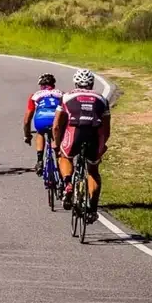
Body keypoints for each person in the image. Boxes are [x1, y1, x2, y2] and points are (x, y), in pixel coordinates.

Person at [51, 69, 111, 223]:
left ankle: (68, 184)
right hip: (94, 134)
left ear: (75, 82)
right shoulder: (102, 99)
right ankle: (92, 209)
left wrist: (56, 143)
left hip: (75, 132)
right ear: (92, 84)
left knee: (65, 157)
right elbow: (106, 128)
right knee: (93, 171)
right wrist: (102, 145)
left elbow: (57, 125)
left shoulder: (66, 96)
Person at [23, 73, 64, 175]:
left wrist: (27, 135)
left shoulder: (35, 95)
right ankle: (60, 163)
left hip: (41, 119)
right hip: (56, 120)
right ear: (53, 85)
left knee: (40, 132)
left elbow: (27, 119)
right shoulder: (61, 94)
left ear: (41, 85)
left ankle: (40, 161)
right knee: (58, 134)